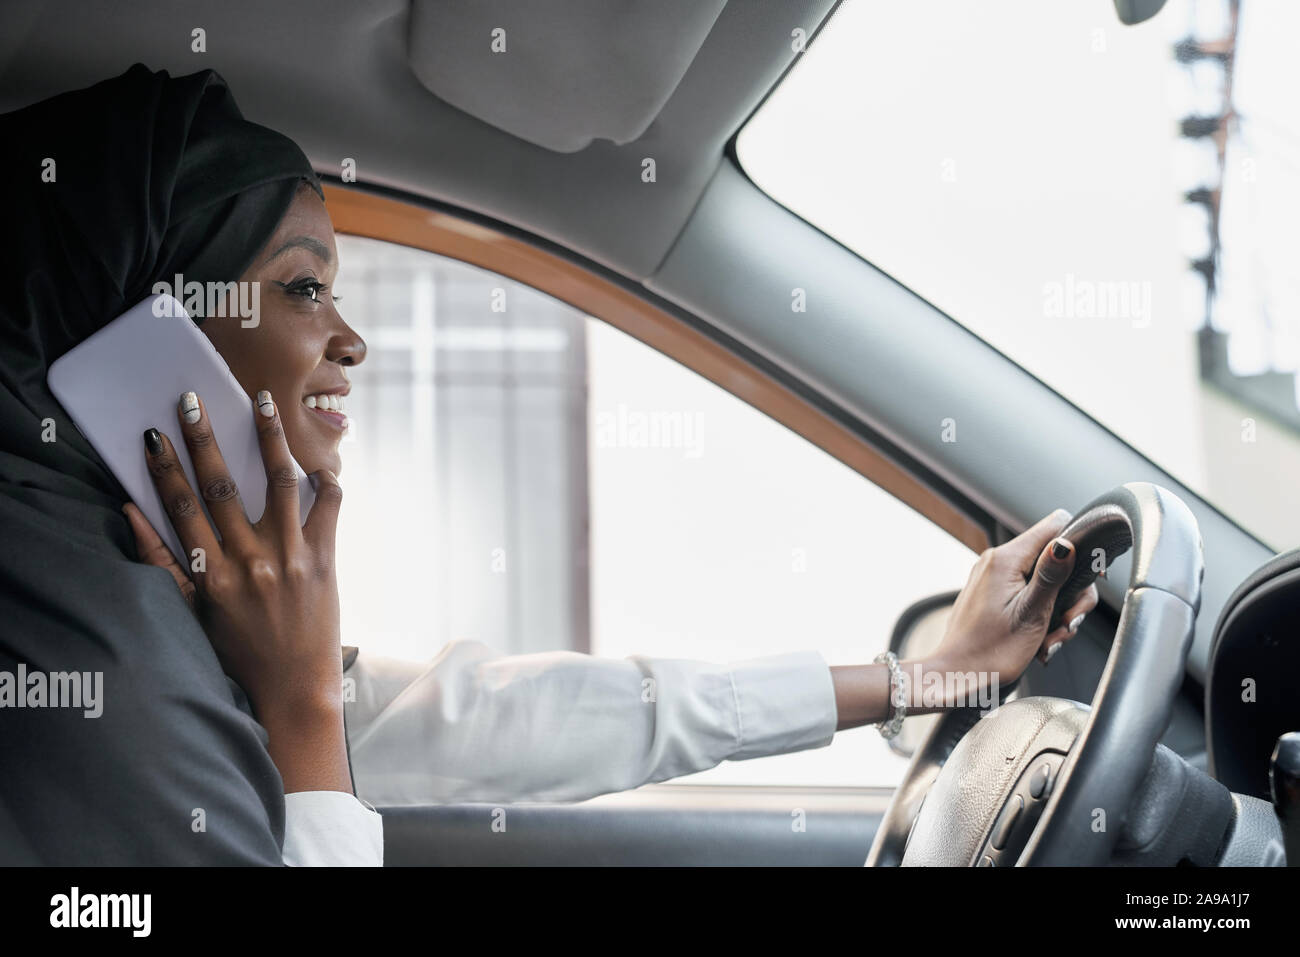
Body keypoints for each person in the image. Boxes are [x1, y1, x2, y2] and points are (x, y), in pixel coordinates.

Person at [2, 64, 1098, 866]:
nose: (351, 339)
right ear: (131, 341)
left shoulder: (149, 603)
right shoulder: (97, 687)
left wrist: (918, 677)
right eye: (300, 288)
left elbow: (501, 718)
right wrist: (298, 717)